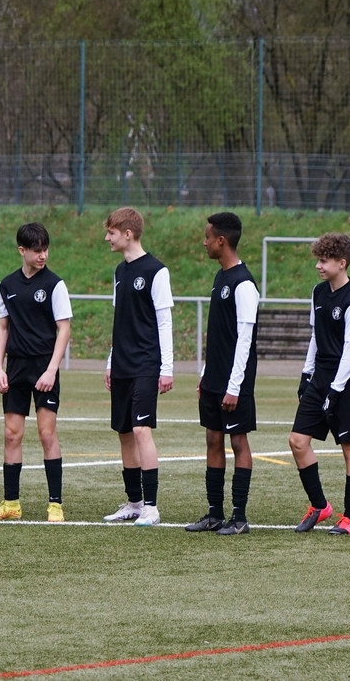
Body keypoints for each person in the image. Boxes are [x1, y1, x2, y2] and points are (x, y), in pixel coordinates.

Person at [0, 222, 72, 523]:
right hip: (16, 367)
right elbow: (3, 327)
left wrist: (52, 370)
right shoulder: (7, 285)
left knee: (47, 433)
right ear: (22, 250)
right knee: (11, 435)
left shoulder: (55, 285)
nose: (42, 255)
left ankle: (55, 504)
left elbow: (64, 329)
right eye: (36, 250)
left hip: (44, 366)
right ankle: (11, 504)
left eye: (45, 249)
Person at [289, 233, 350, 535]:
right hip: (320, 376)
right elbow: (315, 335)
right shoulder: (318, 292)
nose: (318, 266)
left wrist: (336, 390)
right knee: (298, 440)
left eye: (324, 261)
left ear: (341, 263)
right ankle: (320, 505)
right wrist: (306, 373)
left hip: (347, 380)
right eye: (318, 260)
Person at [185, 212, 259, 536]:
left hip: (234, 382)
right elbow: (218, 335)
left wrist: (234, 386)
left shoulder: (244, 284)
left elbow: (245, 340)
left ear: (221, 240)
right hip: (214, 379)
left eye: (207, 237)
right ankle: (215, 514)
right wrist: (205, 373)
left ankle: (239, 518)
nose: (204, 243)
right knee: (212, 438)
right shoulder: (221, 277)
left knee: (238, 441)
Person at [101, 206, 174, 527]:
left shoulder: (157, 271)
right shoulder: (120, 272)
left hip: (146, 363)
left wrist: (167, 367)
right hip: (122, 364)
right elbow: (120, 320)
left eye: (111, 233)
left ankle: (152, 507)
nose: (107, 238)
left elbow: (164, 321)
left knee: (142, 429)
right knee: (125, 432)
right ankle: (134, 503)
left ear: (128, 234)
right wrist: (110, 361)